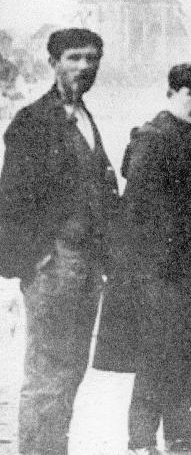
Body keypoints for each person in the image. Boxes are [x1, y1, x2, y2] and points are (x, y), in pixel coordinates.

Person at [93, 64, 191, 455]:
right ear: (171, 94)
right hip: (160, 273)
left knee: (178, 352)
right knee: (158, 354)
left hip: (182, 271)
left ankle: (182, 433)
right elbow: (146, 215)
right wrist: (162, 273)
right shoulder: (156, 140)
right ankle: (141, 442)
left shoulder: (180, 137)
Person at [0, 28, 118, 455]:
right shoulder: (32, 122)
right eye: (73, 57)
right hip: (54, 265)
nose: (84, 67)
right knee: (48, 375)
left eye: (92, 58)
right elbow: (11, 200)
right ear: (54, 63)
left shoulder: (86, 119)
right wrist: (36, 262)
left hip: (87, 265)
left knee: (70, 372)